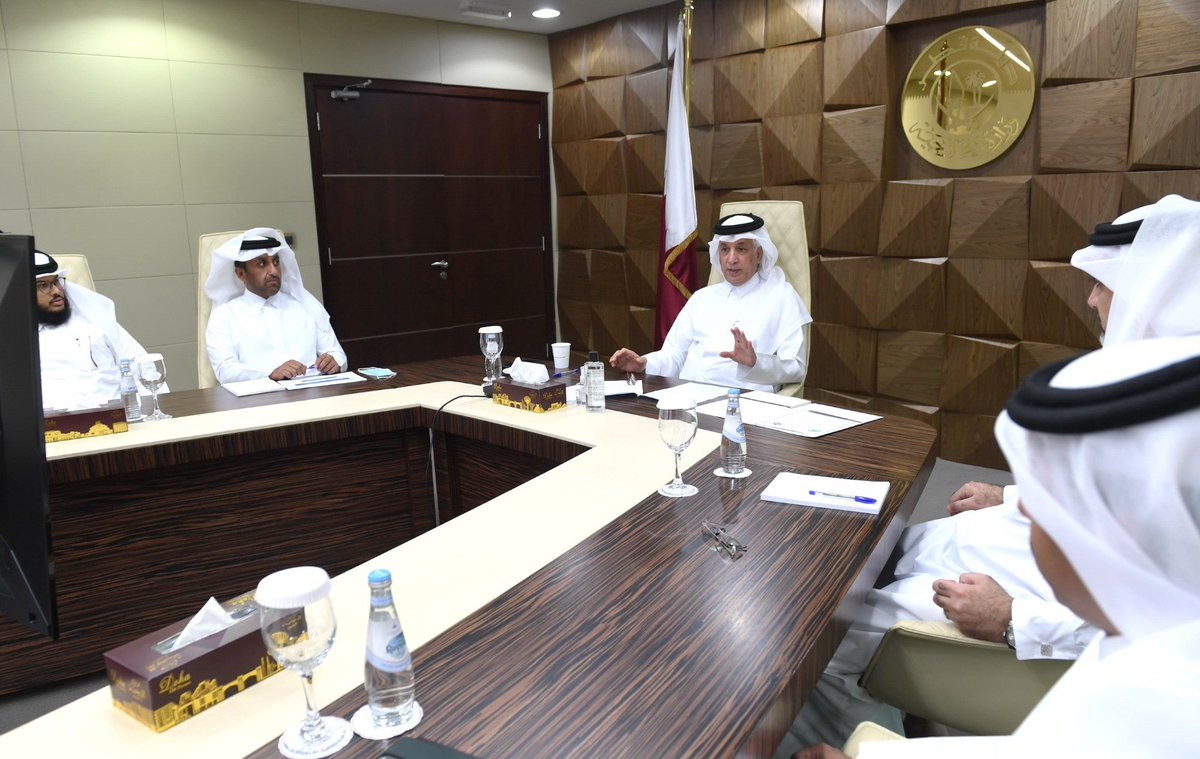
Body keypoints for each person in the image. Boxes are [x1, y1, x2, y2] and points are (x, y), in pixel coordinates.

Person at [778, 194, 1200, 752]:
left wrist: (1012, 618)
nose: (1092, 300)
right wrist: (1010, 495)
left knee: (819, 634)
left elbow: (1165, 616)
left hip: (1031, 600)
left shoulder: (1152, 692)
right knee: (882, 550)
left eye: (1104, 284)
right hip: (1021, 556)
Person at [609, 213, 812, 392]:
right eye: (724, 250)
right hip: (689, 399)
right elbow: (674, 356)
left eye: (741, 249)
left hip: (745, 406)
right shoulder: (702, 298)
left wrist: (756, 363)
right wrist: (643, 363)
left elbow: (795, 368)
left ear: (758, 254)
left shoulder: (782, 297)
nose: (731, 259)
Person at [205, 228, 347, 383]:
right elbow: (225, 371)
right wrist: (270, 374)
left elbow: (337, 354)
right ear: (240, 274)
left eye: (276, 262)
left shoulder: (305, 306)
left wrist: (334, 362)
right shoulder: (224, 316)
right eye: (261, 264)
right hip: (258, 402)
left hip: (313, 398)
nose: (273, 271)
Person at [34, 251, 162, 411]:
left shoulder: (94, 321)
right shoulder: (13, 341)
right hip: (49, 430)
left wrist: (154, 417)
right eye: (43, 285)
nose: (56, 291)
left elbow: (142, 367)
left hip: (118, 423)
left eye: (57, 282)